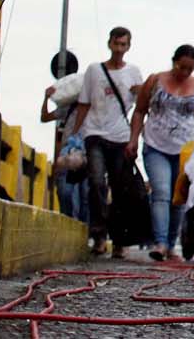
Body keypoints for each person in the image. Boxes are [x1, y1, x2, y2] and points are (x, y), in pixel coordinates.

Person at [127, 44, 194, 262]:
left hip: (185, 150)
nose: (185, 73)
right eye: (182, 67)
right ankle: (160, 243)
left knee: (179, 198)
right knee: (161, 192)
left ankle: (172, 245)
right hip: (156, 145)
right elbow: (140, 111)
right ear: (174, 62)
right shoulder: (155, 81)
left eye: (190, 69)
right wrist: (133, 139)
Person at [68, 27, 143, 258]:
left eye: (123, 45)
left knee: (120, 190)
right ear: (109, 44)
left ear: (128, 47)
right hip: (95, 134)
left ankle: (119, 240)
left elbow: (140, 108)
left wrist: (134, 139)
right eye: (116, 44)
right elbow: (84, 103)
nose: (119, 49)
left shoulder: (134, 72)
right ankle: (99, 235)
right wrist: (75, 136)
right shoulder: (94, 70)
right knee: (97, 182)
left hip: (121, 136)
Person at [40, 51, 87, 223]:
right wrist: (45, 98)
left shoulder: (96, 106)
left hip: (88, 152)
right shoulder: (68, 107)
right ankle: (70, 223)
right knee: (66, 192)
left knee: (85, 197)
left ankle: (85, 232)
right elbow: (44, 118)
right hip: (68, 151)